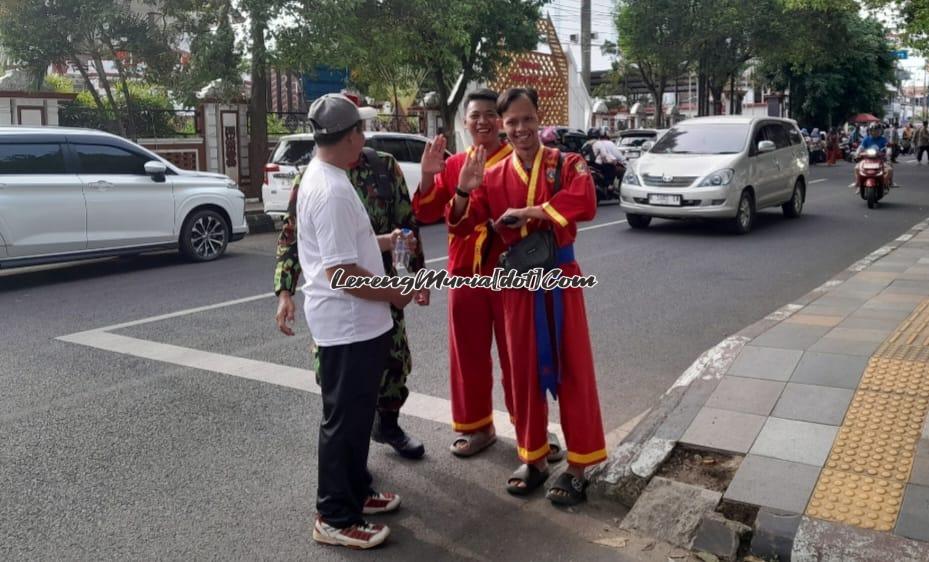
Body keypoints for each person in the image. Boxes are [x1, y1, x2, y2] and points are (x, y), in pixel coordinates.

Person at [447, 88, 607, 507]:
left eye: (527, 119)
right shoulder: (494, 176)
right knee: (522, 373)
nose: (520, 129)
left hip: (561, 278)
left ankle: (579, 465)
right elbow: (462, 226)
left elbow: (586, 202)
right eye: (512, 122)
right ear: (503, 125)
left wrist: (535, 212)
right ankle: (533, 458)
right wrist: (464, 191)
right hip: (517, 284)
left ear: (540, 119)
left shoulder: (567, 163)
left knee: (573, 368)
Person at [289, 93, 413, 549]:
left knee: (356, 418)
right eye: (360, 130)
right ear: (347, 137)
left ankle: (356, 492)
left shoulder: (327, 177)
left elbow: (343, 250)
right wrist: (396, 293)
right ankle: (335, 516)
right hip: (349, 325)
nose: (365, 137)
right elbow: (341, 274)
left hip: (360, 324)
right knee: (343, 422)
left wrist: (384, 240)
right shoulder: (333, 190)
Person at [413, 88, 565, 461]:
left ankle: (533, 430)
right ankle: (477, 426)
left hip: (511, 271)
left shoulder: (518, 160)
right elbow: (429, 213)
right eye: (474, 115)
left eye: (489, 115)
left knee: (521, 355)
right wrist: (428, 177)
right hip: (464, 271)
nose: (482, 121)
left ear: (501, 120)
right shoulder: (454, 165)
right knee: (468, 355)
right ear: (464, 123)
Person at [275, 119, 429, 462]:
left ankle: (387, 427)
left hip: (384, 285)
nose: (359, 136)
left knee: (394, 365)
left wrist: (418, 275)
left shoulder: (384, 168)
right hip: (345, 304)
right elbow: (293, 239)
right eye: (355, 129)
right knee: (343, 390)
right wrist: (285, 292)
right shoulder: (318, 178)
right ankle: (349, 469)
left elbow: (407, 225)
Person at [858, 123, 895, 187]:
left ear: (880, 131)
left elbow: (888, 147)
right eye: (872, 130)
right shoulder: (866, 139)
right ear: (869, 131)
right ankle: (858, 184)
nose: (875, 132)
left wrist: (888, 153)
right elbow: (861, 147)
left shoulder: (883, 139)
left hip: (881, 159)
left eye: (877, 130)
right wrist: (857, 153)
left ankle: (889, 183)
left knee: (889, 170)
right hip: (867, 160)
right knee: (856, 168)